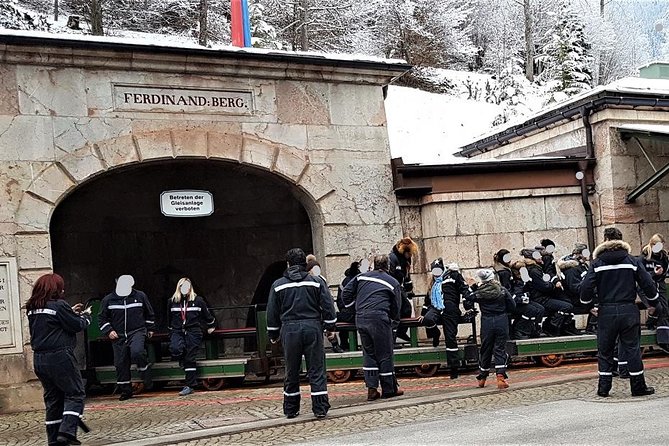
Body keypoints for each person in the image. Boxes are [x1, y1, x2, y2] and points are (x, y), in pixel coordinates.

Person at [581, 227, 659, 397]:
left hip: (606, 311)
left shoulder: (596, 263)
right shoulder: (632, 261)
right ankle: (638, 387)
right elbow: (648, 284)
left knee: (605, 351)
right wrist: (653, 301)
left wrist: (588, 306)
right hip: (628, 310)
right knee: (632, 348)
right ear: (621, 240)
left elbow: (586, 288)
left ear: (605, 240)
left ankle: (603, 388)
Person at [267, 248, 337, 419]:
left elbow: (272, 312)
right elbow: (328, 306)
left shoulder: (278, 285)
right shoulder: (316, 282)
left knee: (291, 370)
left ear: (288, 264)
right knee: (317, 369)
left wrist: (273, 334)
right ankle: (320, 408)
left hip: (289, 329)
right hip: (312, 326)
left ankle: (291, 409)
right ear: (305, 264)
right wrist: (330, 328)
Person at [27, 273, 91, 446]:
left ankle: (54, 440)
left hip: (39, 359)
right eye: (61, 287)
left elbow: (52, 323)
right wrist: (85, 317)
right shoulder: (59, 306)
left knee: (53, 399)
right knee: (75, 393)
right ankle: (67, 432)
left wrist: (70, 311)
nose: (63, 290)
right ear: (55, 288)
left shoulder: (33, 307)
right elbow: (76, 325)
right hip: (60, 356)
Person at [341, 254, 404, 400]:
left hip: (361, 318)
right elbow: (396, 307)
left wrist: (353, 308)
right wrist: (394, 322)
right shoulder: (392, 282)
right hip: (379, 318)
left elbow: (346, 294)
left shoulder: (361, 277)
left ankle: (372, 389)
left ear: (374, 265)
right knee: (384, 353)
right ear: (388, 266)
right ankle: (389, 389)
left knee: (368, 353)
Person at [98, 275, 155, 401]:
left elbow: (149, 313)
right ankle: (125, 390)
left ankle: (145, 374)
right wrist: (109, 331)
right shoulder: (108, 300)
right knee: (120, 363)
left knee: (137, 352)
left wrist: (150, 329)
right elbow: (102, 318)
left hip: (137, 331)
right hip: (118, 336)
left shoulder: (140, 296)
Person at [464, 269, 515, 389]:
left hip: (487, 321)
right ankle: (500, 377)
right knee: (500, 349)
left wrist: (472, 286)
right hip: (501, 320)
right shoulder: (502, 290)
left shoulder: (480, 293)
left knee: (485, 348)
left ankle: (482, 377)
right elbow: (512, 306)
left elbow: (468, 297)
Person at [168, 277, 216, 396]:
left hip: (193, 331)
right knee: (175, 348)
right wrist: (171, 331)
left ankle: (190, 385)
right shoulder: (172, 301)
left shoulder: (198, 300)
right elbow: (168, 318)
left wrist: (211, 326)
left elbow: (207, 315)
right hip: (177, 330)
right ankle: (182, 360)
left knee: (190, 358)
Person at [519, 248, 575, 336]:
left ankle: (556, 326)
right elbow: (544, 286)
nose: (541, 257)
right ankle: (551, 326)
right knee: (567, 306)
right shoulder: (534, 271)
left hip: (539, 297)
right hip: (540, 298)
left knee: (567, 303)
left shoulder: (534, 268)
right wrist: (553, 285)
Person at [307, 254, 344, 353]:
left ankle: (335, 344)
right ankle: (334, 345)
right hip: (317, 309)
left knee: (329, 328)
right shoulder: (313, 280)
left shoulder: (320, 279)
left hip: (320, 309)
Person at [638, 234, 669, 353]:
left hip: (659, 285)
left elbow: (665, 271)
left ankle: (664, 340)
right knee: (656, 308)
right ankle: (650, 321)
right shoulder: (644, 257)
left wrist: (660, 273)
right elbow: (641, 276)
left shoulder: (663, 257)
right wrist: (653, 274)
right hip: (646, 287)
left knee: (664, 310)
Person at [556, 243, 596, 334]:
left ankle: (593, 325)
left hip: (583, 294)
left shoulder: (583, 265)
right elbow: (574, 288)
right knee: (598, 302)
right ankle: (592, 326)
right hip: (574, 298)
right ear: (579, 254)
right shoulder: (571, 269)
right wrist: (589, 288)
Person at [388, 237, 418, 343]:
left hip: (399, 287)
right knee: (396, 311)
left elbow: (406, 276)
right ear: (404, 251)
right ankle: (392, 338)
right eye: (409, 253)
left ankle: (401, 332)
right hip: (393, 288)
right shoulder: (393, 258)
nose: (411, 256)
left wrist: (409, 290)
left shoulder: (405, 260)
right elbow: (390, 276)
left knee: (406, 309)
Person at [335, 261, 361, 351]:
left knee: (336, 316)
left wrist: (344, 309)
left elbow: (340, 300)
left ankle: (343, 343)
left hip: (349, 312)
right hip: (358, 313)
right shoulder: (359, 280)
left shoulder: (345, 281)